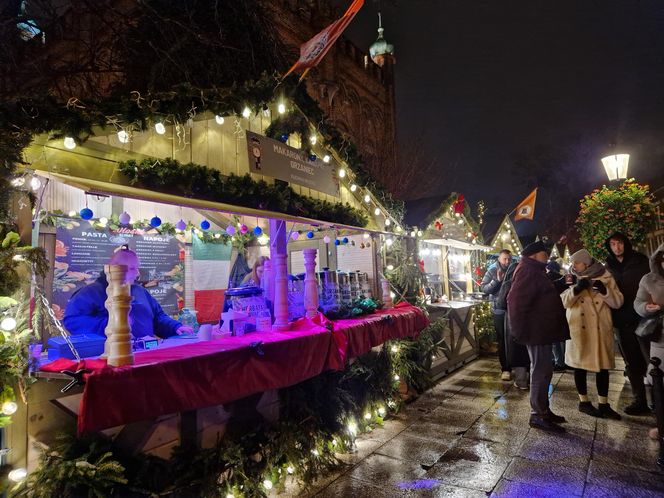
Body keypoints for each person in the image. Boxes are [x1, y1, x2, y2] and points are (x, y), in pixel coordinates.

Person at [508, 240, 571, 432]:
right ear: (536, 254)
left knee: (545, 370)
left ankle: (544, 409)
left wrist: (560, 284)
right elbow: (515, 301)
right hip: (535, 331)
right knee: (540, 371)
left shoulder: (535, 270)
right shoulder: (528, 270)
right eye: (546, 252)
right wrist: (519, 330)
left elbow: (542, 293)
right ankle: (538, 414)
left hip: (541, 330)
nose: (548, 255)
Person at [64, 247, 192, 339]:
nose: (137, 273)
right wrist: (111, 323)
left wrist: (175, 327)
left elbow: (158, 316)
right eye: (132, 268)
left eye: (137, 268)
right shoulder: (91, 293)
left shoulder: (140, 291)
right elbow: (72, 321)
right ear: (114, 267)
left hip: (144, 354)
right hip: (108, 357)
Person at [561, 249, 623, 419]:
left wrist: (605, 292)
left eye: (576, 262)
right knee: (579, 366)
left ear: (586, 263)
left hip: (599, 327)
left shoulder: (606, 276)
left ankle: (604, 404)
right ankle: (584, 402)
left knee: (602, 367)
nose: (573, 266)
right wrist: (576, 289)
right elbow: (563, 302)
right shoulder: (570, 278)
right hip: (578, 327)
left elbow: (618, 302)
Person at [605, 233, 651, 415]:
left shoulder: (641, 261)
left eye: (620, 243)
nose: (617, 247)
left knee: (651, 360)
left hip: (644, 318)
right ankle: (639, 400)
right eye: (613, 244)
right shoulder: (609, 265)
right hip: (622, 320)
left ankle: (657, 399)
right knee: (631, 362)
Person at [634, 242, 664, 437]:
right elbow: (639, 302)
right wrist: (646, 308)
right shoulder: (649, 279)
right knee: (659, 384)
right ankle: (662, 425)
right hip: (660, 338)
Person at [481, 250, 513, 380]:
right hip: (498, 310)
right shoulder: (492, 270)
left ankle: (518, 365)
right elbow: (483, 289)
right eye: (505, 259)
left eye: (509, 259)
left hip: (513, 309)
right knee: (502, 340)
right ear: (499, 258)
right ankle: (505, 368)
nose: (507, 261)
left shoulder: (514, 270)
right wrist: (496, 280)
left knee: (514, 339)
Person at [546, 259, 569, 371]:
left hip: (551, 310)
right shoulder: (563, 278)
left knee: (554, 340)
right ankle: (564, 360)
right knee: (562, 338)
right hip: (563, 310)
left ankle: (558, 362)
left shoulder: (547, 278)